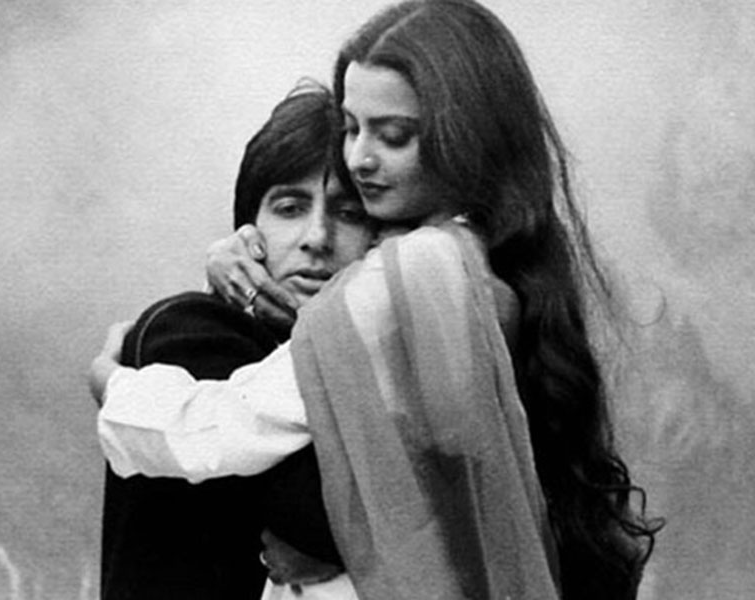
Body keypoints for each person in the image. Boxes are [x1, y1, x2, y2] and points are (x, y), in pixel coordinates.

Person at [92, 1, 662, 598]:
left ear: (466, 138)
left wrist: (113, 384)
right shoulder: (496, 270)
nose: (360, 158)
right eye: (351, 128)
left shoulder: (415, 275)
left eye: (393, 136)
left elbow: (225, 431)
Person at [95, 82, 371, 599]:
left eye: (349, 213)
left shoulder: (345, 354)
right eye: (289, 208)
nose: (317, 237)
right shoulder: (191, 331)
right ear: (248, 232)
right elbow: (317, 513)